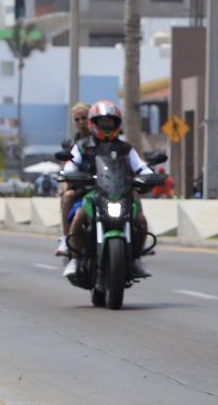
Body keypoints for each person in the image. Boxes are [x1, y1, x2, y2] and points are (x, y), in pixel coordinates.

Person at [62, 100, 154, 279]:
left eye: (109, 122)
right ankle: (75, 259)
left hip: (119, 193)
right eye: (101, 122)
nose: (105, 126)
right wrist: (70, 174)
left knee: (141, 220)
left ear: (117, 124)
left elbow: (141, 167)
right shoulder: (82, 146)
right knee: (80, 216)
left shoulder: (125, 148)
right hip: (92, 192)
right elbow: (70, 166)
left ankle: (135, 259)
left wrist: (149, 176)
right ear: (93, 123)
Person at [56, 103, 94, 256]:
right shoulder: (74, 145)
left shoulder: (105, 139)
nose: (81, 122)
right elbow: (66, 170)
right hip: (81, 189)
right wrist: (66, 185)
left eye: (84, 118)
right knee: (68, 195)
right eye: (77, 119)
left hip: (106, 187)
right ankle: (67, 240)